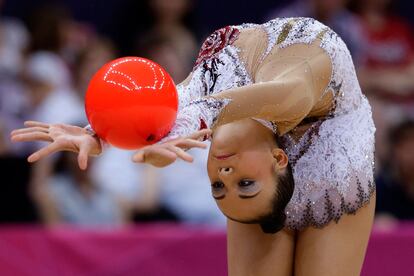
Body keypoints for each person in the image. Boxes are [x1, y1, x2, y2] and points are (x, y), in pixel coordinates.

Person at [11, 17, 375, 276]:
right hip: (329, 142)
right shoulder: (294, 93)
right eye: (241, 183)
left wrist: (100, 133)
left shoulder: (216, 111)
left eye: (218, 186)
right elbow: (237, 101)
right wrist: (177, 125)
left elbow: (169, 104)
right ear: (278, 156)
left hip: (324, 175)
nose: (224, 175)